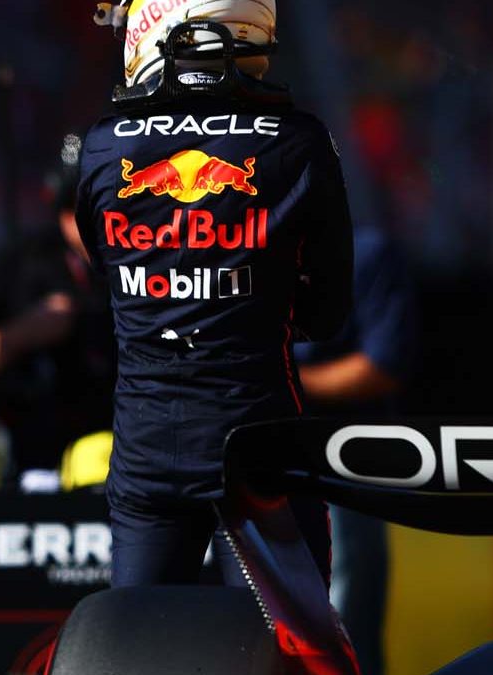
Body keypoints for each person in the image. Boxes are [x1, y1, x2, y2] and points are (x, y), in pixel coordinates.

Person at [79, 0, 353, 587]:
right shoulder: (298, 141)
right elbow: (331, 311)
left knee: (137, 657)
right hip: (261, 445)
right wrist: (255, 307)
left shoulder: (101, 146)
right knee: (289, 662)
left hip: (145, 450)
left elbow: (106, 274)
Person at [0, 139, 116, 489]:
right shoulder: (27, 262)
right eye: (72, 206)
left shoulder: (148, 258)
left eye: (98, 205)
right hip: (38, 469)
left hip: (126, 464)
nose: (84, 220)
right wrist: (21, 334)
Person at [295, 226, 417, 675]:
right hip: (253, 468)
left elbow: (383, 367)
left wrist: (277, 382)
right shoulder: (242, 253)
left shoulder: (367, 253)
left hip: (342, 470)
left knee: (344, 632)